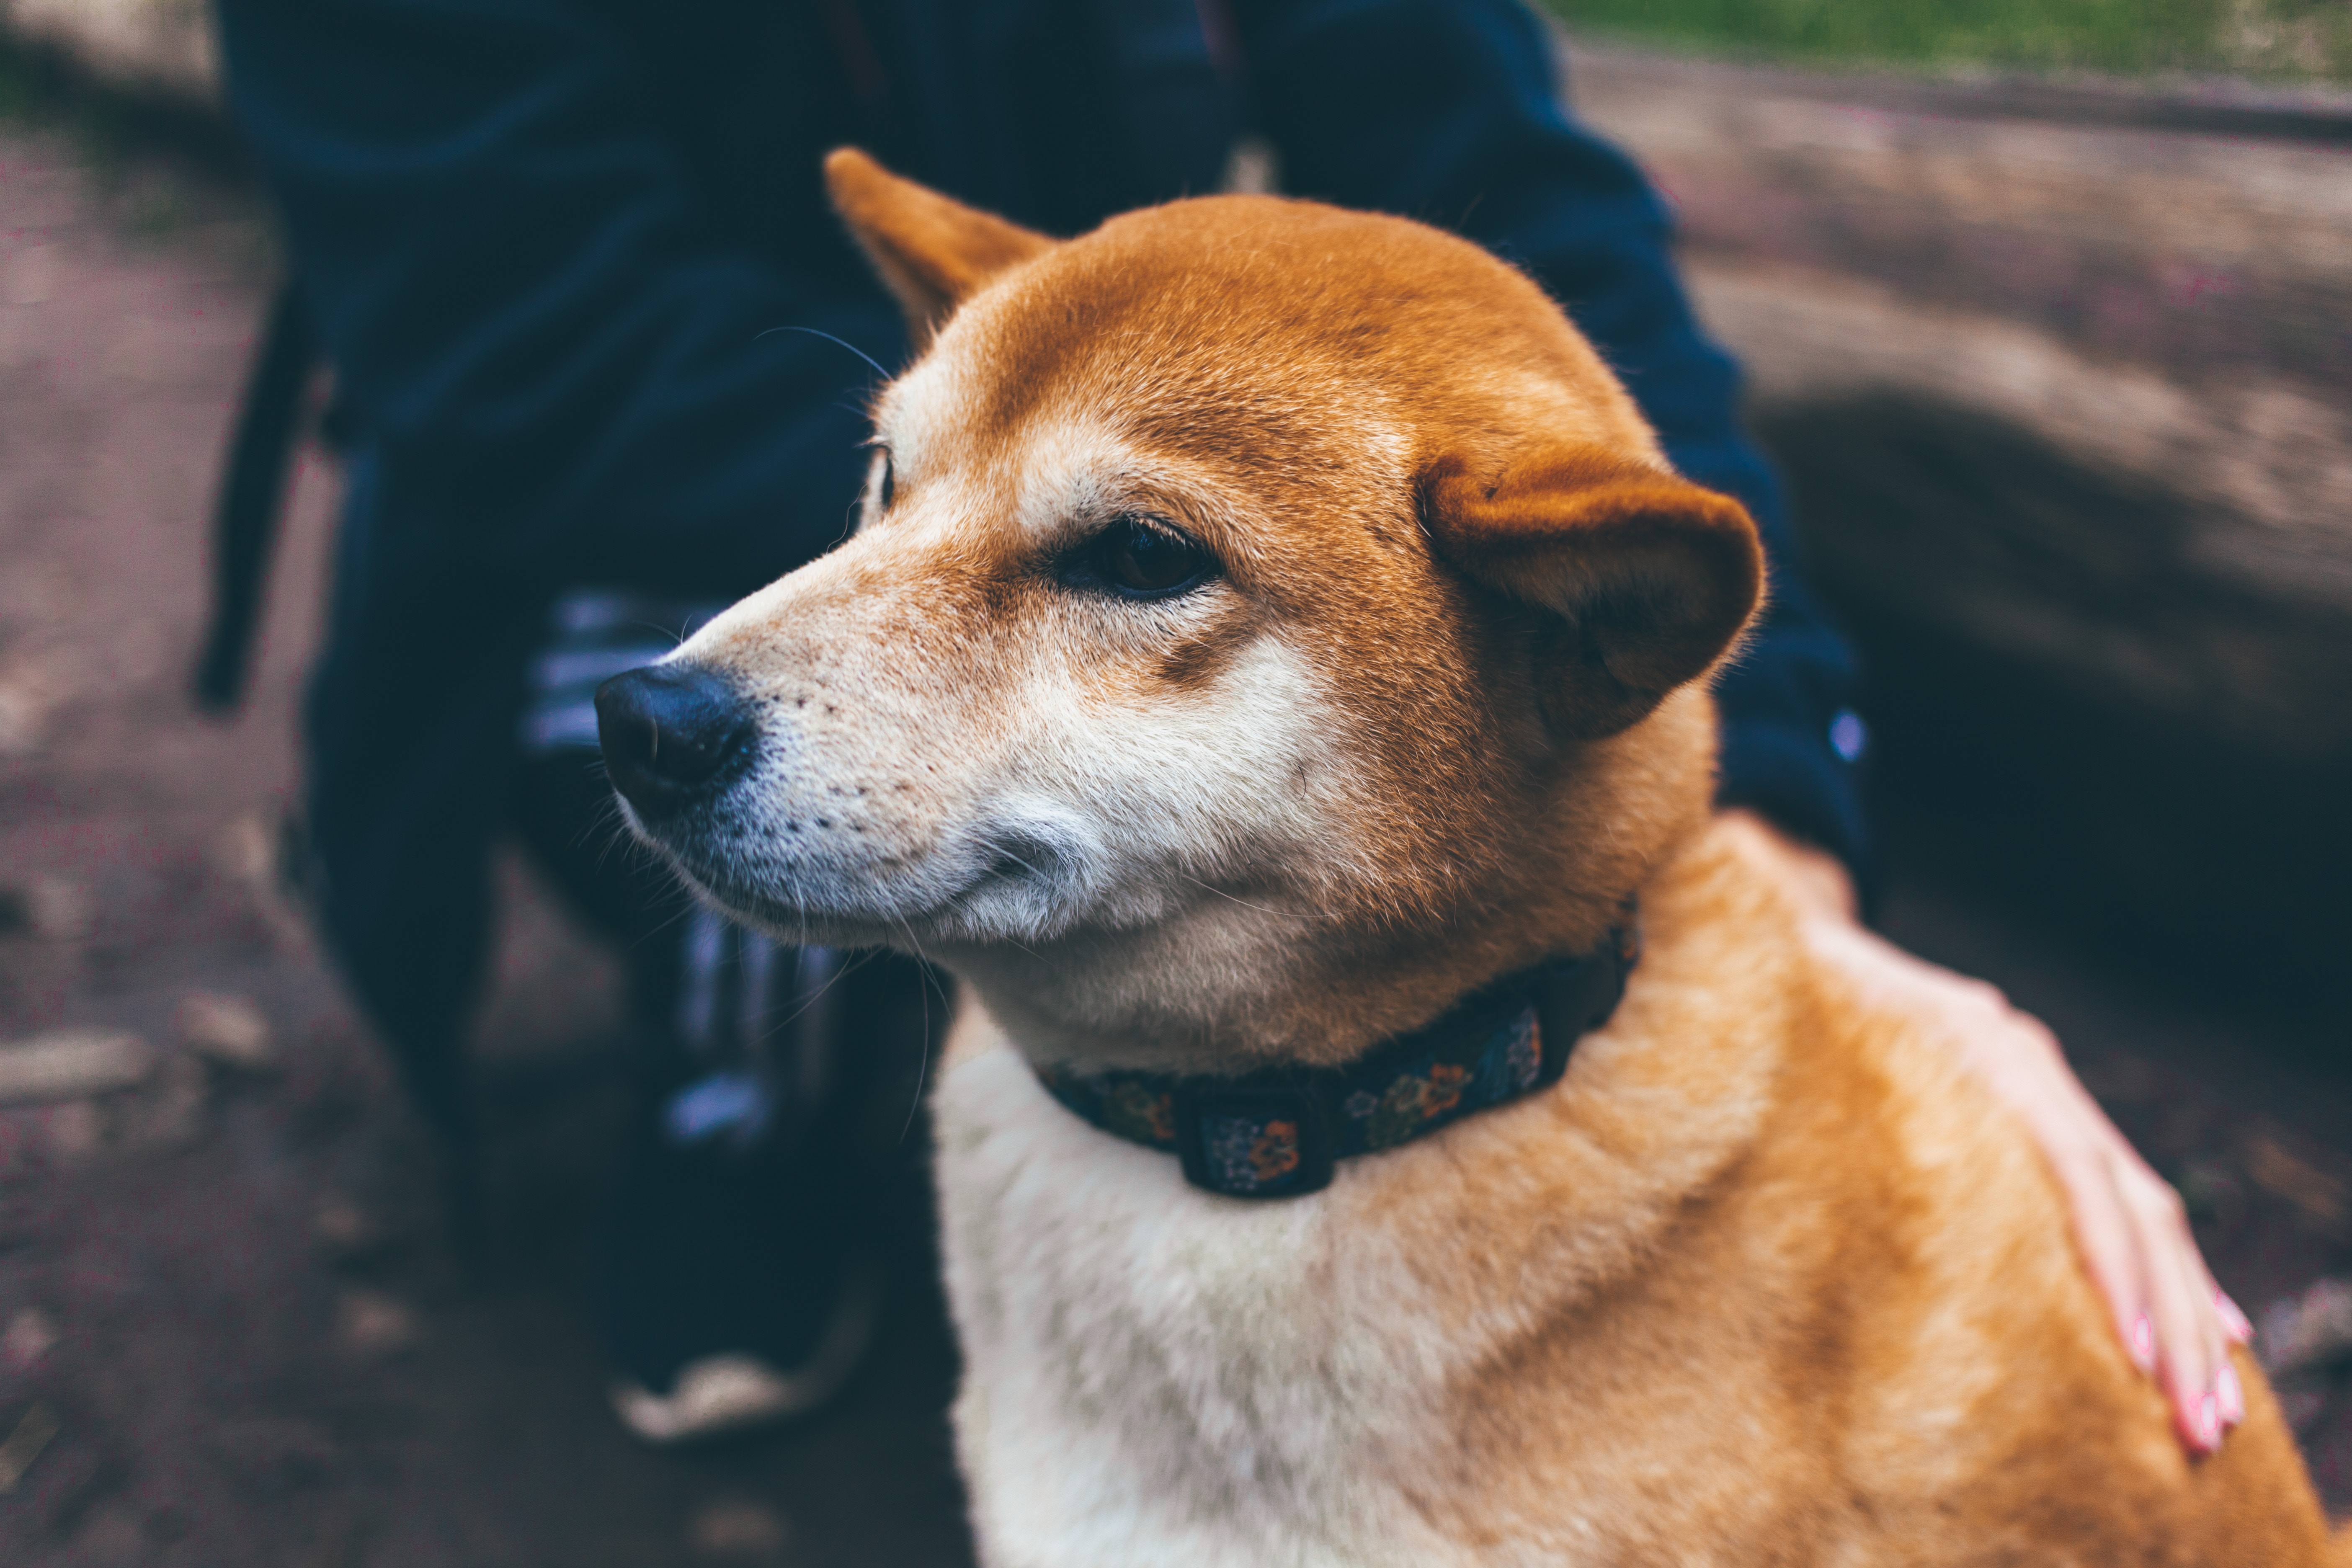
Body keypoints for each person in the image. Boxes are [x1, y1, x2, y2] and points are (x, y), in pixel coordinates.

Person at [207, 0, 2246, 1452]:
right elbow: (529, 350)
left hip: (1097, 394)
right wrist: (1032, 448)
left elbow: (1521, 216)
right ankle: (727, 1106)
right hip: (621, 478)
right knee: (726, 691)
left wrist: (1781, 824)